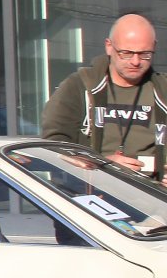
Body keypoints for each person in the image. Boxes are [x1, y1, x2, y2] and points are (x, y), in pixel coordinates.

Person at [41, 13, 166, 175]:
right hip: (93, 186)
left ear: (154, 47)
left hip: (150, 189)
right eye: (126, 53)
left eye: (144, 54)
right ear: (109, 46)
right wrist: (102, 163)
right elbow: (54, 145)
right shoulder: (80, 86)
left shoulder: (162, 90)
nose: (135, 61)